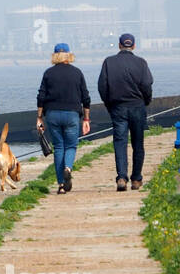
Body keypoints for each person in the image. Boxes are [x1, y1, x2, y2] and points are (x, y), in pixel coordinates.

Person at [98, 32, 154, 192]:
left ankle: (122, 177)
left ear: (119, 45)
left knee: (120, 143)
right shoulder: (141, 63)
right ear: (134, 46)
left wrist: (109, 104)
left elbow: (102, 86)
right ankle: (136, 179)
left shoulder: (109, 62)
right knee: (138, 144)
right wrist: (146, 101)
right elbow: (147, 85)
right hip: (137, 106)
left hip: (118, 107)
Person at [35, 43, 92, 194]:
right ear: (69, 54)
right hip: (72, 114)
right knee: (71, 146)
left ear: (54, 55)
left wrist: (39, 118)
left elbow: (41, 96)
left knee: (59, 147)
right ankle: (68, 167)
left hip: (52, 114)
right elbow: (86, 97)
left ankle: (61, 184)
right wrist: (86, 119)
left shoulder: (48, 73)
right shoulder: (77, 73)